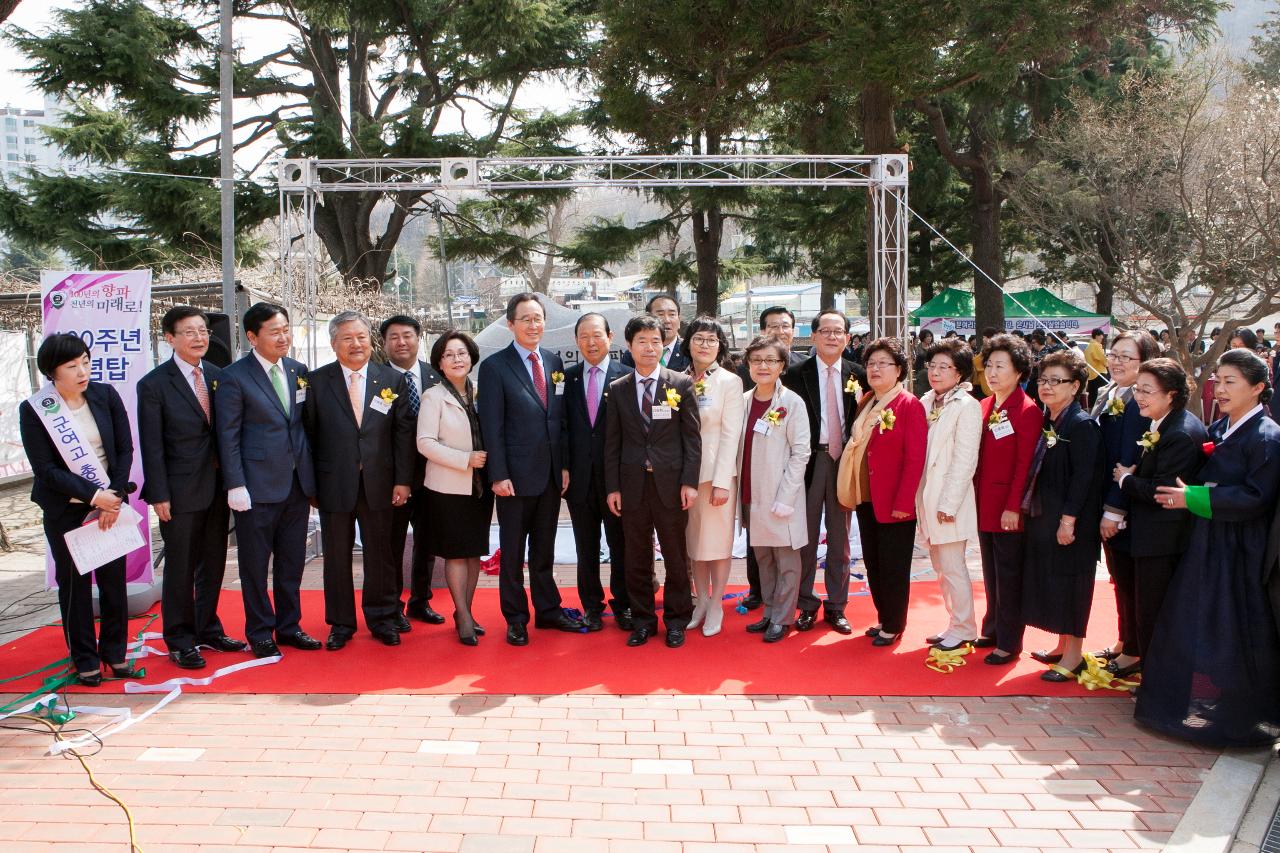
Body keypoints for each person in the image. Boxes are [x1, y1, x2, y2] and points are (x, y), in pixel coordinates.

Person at [1137, 349, 1280, 745]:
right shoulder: (1221, 428)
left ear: (1258, 387)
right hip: (1208, 541)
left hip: (1240, 547)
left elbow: (1255, 497)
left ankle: (1237, 715)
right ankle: (1190, 705)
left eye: (1231, 382)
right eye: (1219, 380)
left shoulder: (1266, 436)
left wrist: (1194, 498)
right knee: (1196, 621)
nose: (1221, 389)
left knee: (1231, 626)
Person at [19, 334, 139, 686]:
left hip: (111, 505)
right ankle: (84, 657)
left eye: (86, 362)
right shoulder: (37, 409)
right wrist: (93, 497)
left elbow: (124, 448)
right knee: (74, 586)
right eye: (72, 366)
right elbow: (46, 469)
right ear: (52, 373)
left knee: (114, 583)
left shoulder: (104, 395)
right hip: (67, 510)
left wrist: (113, 496)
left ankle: (115, 653)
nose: (83, 371)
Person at [137, 306, 246, 670]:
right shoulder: (153, 384)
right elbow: (151, 445)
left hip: (219, 487)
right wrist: (159, 494)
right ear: (169, 338)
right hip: (179, 492)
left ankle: (208, 628)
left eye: (203, 331)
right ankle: (180, 639)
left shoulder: (220, 376)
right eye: (189, 332)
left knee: (213, 562)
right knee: (181, 566)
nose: (200, 338)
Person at [302, 312, 415, 650]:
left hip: (380, 483)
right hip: (333, 483)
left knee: (380, 554)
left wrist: (403, 480)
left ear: (371, 341)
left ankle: (382, 618)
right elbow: (307, 435)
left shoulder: (390, 380)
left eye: (362, 337)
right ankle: (340, 623)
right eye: (348, 338)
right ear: (334, 343)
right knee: (336, 556)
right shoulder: (316, 381)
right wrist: (310, 486)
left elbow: (403, 435)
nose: (356, 344)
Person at [215, 302, 320, 658]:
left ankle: (289, 626)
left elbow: (303, 426)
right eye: (274, 331)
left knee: (292, 562)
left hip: (295, 485)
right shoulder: (234, 376)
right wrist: (235, 485)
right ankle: (260, 631)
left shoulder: (298, 370)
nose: (283, 337)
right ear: (252, 336)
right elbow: (227, 436)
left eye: (286, 329)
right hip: (255, 488)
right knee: (255, 566)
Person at [478, 293, 581, 646]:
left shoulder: (552, 361)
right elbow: (492, 426)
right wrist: (498, 474)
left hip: (551, 475)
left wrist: (564, 465)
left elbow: (560, 420)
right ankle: (516, 618)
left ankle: (548, 610)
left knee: (544, 550)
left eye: (538, 318)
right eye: (526, 319)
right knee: (512, 553)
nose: (534, 325)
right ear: (511, 324)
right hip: (514, 479)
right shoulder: (495, 367)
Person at [604, 315, 700, 648]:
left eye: (656, 341)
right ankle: (643, 620)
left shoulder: (681, 383)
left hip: (671, 485)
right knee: (637, 556)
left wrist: (690, 482)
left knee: (675, 556)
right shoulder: (618, 390)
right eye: (642, 341)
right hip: (632, 486)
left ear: (664, 344)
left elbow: (692, 439)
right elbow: (612, 443)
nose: (650, 347)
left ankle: (676, 621)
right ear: (629, 347)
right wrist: (613, 487)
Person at [1110, 358, 1208, 678]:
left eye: (1147, 390)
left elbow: (1164, 491)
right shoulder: (1164, 422)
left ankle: (1157, 682)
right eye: (1138, 389)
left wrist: (1125, 480)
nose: (1139, 396)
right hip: (1153, 536)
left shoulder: (1179, 433)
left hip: (1163, 540)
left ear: (1172, 394)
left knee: (1155, 613)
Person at [1020, 349, 1105, 682]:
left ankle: (1074, 656)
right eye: (1043, 380)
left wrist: (1068, 520)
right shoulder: (1051, 419)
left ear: (1076, 387)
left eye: (1057, 381)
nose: (1047, 387)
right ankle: (1060, 646)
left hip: (1073, 520)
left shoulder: (1082, 425)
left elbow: (1085, 478)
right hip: (1049, 515)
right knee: (1055, 582)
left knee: (1073, 585)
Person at [837, 337, 928, 647]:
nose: (875, 369)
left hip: (894, 501)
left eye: (883, 364)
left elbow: (915, 458)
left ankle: (894, 623)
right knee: (874, 562)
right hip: (867, 496)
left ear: (899, 370)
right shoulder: (866, 401)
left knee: (893, 565)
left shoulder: (908, 405)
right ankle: (883, 616)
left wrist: (905, 501)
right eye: (871, 364)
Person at [781, 309, 866, 634]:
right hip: (808, 463)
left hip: (842, 463)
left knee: (840, 540)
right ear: (813, 336)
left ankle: (836, 606)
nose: (832, 337)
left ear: (846, 337)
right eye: (826, 331)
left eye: (838, 332)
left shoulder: (857, 374)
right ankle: (805, 604)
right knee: (805, 539)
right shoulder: (794, 374)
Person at [417, 331, 495, 645]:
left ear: (471, 357)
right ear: (439, 362)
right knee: (456, 554)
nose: (457, 359)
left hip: (479, 488)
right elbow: (424, 443)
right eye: (449, 355)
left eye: (461, 353)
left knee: (474, 552)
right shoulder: (433, 396)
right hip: (447, 488)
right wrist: (464, 459)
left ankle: (469, 610)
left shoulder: (481, 393)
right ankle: (461, 614)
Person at [1088, 330, 1158, 669]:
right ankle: (1122, 639)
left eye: (1126, 357)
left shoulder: (1140, 402)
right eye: (1113, 354)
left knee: (1130, 579)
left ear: (1145, 363)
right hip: (1103, 495)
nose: (1116, 362)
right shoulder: (1107, 391)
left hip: (1124, 504)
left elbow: (1129, 457)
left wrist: (1114, 511)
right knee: (1118, 576)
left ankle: (1134, 649)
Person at [972, 334, 1042, 665]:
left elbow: (1025, 465)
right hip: (984, 503)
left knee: (1010, 574)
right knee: (991, 571)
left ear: (1019, 371)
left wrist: (1014, 506)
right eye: (989, 365)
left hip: (1006, 507)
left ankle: (1010, 641)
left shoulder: (1026, 410)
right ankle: (993, 627)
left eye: (1001, 366)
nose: (993, 372)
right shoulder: (986, 405)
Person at [737, 336, 811, 643]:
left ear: (782, 365)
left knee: (787, 562)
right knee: (764, 560)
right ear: (748, 365)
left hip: (781, 497)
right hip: (751, 495)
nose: (763, 366)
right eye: (757, 360)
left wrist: (786, 497)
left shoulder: (791, 403)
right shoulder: (743, 401)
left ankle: (782, 617)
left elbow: (801, 452)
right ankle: (769, 611)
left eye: (770, 360)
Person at [563, 313, 632, 632]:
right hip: (579, 480)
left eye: (596, 335)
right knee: (585, 547)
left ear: (610, 337)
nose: (591, 342)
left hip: (617, 480)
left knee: (621, 545)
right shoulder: (567, 378)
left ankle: (624, 604)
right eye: (584, 337)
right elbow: (562, 428)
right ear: (577, 341)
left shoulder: (627, 376)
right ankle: (591, 605)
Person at [915, 339, 983, 651]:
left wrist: (949, 503)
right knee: (941, 567)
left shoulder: (966, 407)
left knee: (954, 566)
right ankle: (953, 622)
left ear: (960, 374)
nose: (936, 372)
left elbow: (965, 460)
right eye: (932, 366)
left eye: (945, 367)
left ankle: (966, 627)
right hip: (926, 498)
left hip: (948, 501)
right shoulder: (927, 401)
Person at [380, 314, 446, 625]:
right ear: (384, 343)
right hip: (393, 477)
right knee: (392, 543)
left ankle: (421, 600)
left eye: (407, 335)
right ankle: (392, 606)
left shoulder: (437, 376)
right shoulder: (377, 380)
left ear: (419, 339)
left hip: (432, 475)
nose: (401, 342)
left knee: (428, 541)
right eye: (394, 337)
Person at [681, 316, 744, 637]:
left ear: (720, 346)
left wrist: (722, 481)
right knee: (694, 545)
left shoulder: (729, 382)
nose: (704, 345)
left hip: (717, 479)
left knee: (717, 545)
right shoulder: (677, 379)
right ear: (688, 342)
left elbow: (731, 435)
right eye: (699, 338)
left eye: (712, 339)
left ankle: (717, 602)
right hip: (685, 480)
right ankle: (701, 601)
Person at [621, 293, 689, 371]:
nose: (667, 320)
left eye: (672, 314)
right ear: (648, 319)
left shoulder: (689, 352)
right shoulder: (632, 354)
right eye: (660, 314)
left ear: (679, 320)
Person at [1084, 327, 1109, 404]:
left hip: (1091, 374)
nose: (1102, 337)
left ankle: (1091, 414)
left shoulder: (1089, 346)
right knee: (1102, 396)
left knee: (1092, 396)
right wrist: (1108, 364)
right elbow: (1102, 359)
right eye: (1102, 335)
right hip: (1099, 374)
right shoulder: (1096, 345)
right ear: (1097, 336)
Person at [911, 329, 935, 397]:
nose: (929, 338)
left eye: (931, 336)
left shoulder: (933, 348)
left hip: (931, 372)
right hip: (919, 372)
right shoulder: (916, 348)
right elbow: (914, 362)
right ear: (923, 337)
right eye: (927, 336)